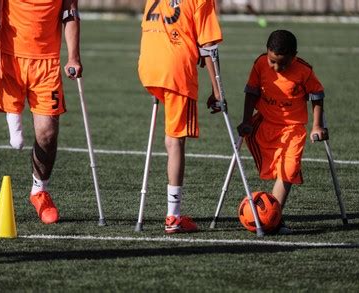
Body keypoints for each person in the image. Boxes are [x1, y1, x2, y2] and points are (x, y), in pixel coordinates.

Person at [0, 0, 82, 224]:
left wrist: (73, 57)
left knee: (48, 133)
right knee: (18, 138)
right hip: (9, 58)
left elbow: (70, 13)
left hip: (47, 64)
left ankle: (39, 191)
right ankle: (13, 117)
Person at [138, 0, 223, 233]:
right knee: (176, 140)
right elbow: (208, 46)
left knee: (171, 135)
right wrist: (218, 92)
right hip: (176, 70)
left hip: (148, 65)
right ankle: (173, 217)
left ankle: (173, 213)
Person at [237, 30, 327, 234]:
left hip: (293, 129)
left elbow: (317, 94)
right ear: (266, 52)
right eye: (272, 61)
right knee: (277, 169)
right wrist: (245, 120)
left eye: (283, 63)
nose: (277, 67)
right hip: (265, 123)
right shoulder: (260, 63)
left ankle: (271, 219)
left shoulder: (304, 70)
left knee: (288, 170)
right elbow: (251, 91)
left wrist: (317, 125)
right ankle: (272, 218)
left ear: (294, 56)